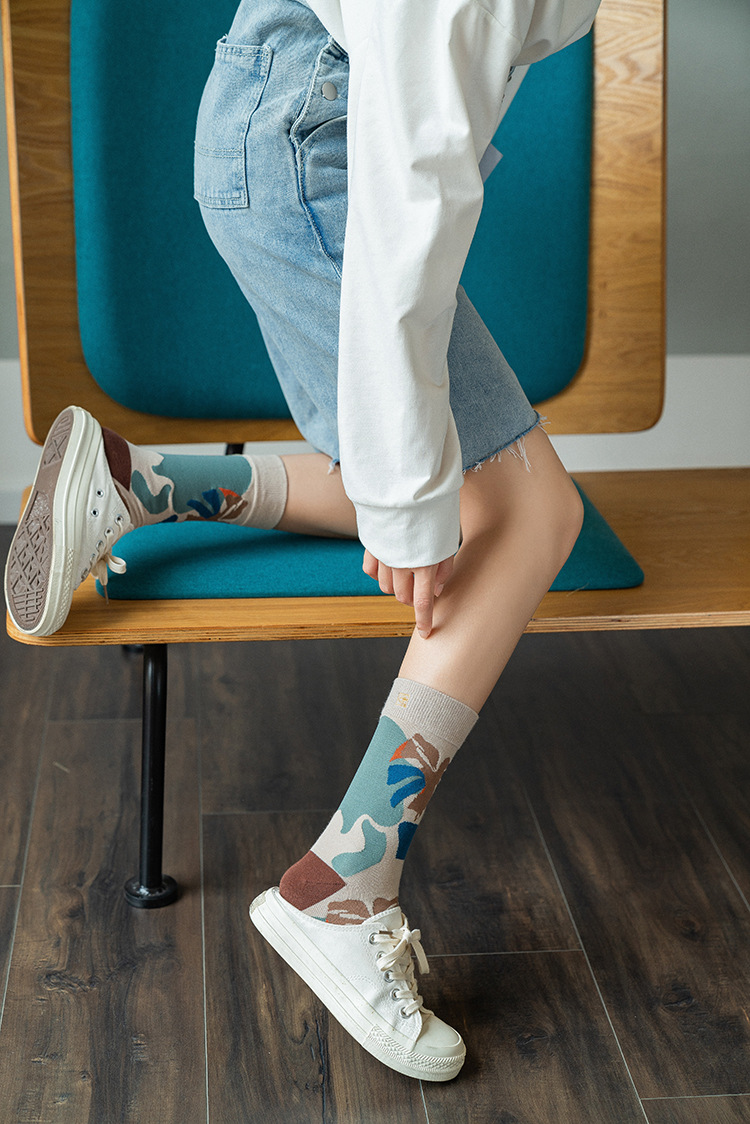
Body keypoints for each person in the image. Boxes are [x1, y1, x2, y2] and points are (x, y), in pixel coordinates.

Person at [4, 0, 599, 1083]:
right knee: (529, 515)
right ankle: (345, 885)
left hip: (298, 131)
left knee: (449, 482)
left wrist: (412, 491)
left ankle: (136, 483)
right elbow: (408, 203)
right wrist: (412, 506)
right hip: (315, 157)